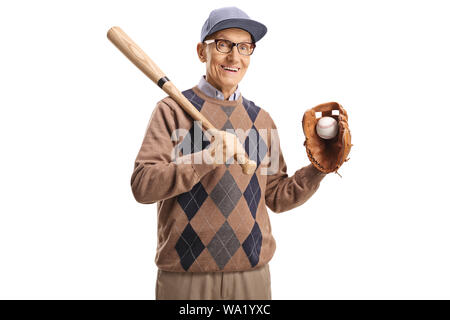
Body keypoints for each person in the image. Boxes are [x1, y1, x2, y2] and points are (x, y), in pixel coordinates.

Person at [131, 7, 327, 300]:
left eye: (244, 47)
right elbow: (143, 186)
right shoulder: (172, 110)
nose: (234, 57)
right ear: (202, 51)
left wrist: (318, 168)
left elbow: (275, 196)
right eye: (223, 45)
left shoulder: (261, 121)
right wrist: (207, 158)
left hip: (252, 274)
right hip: (185, 277)